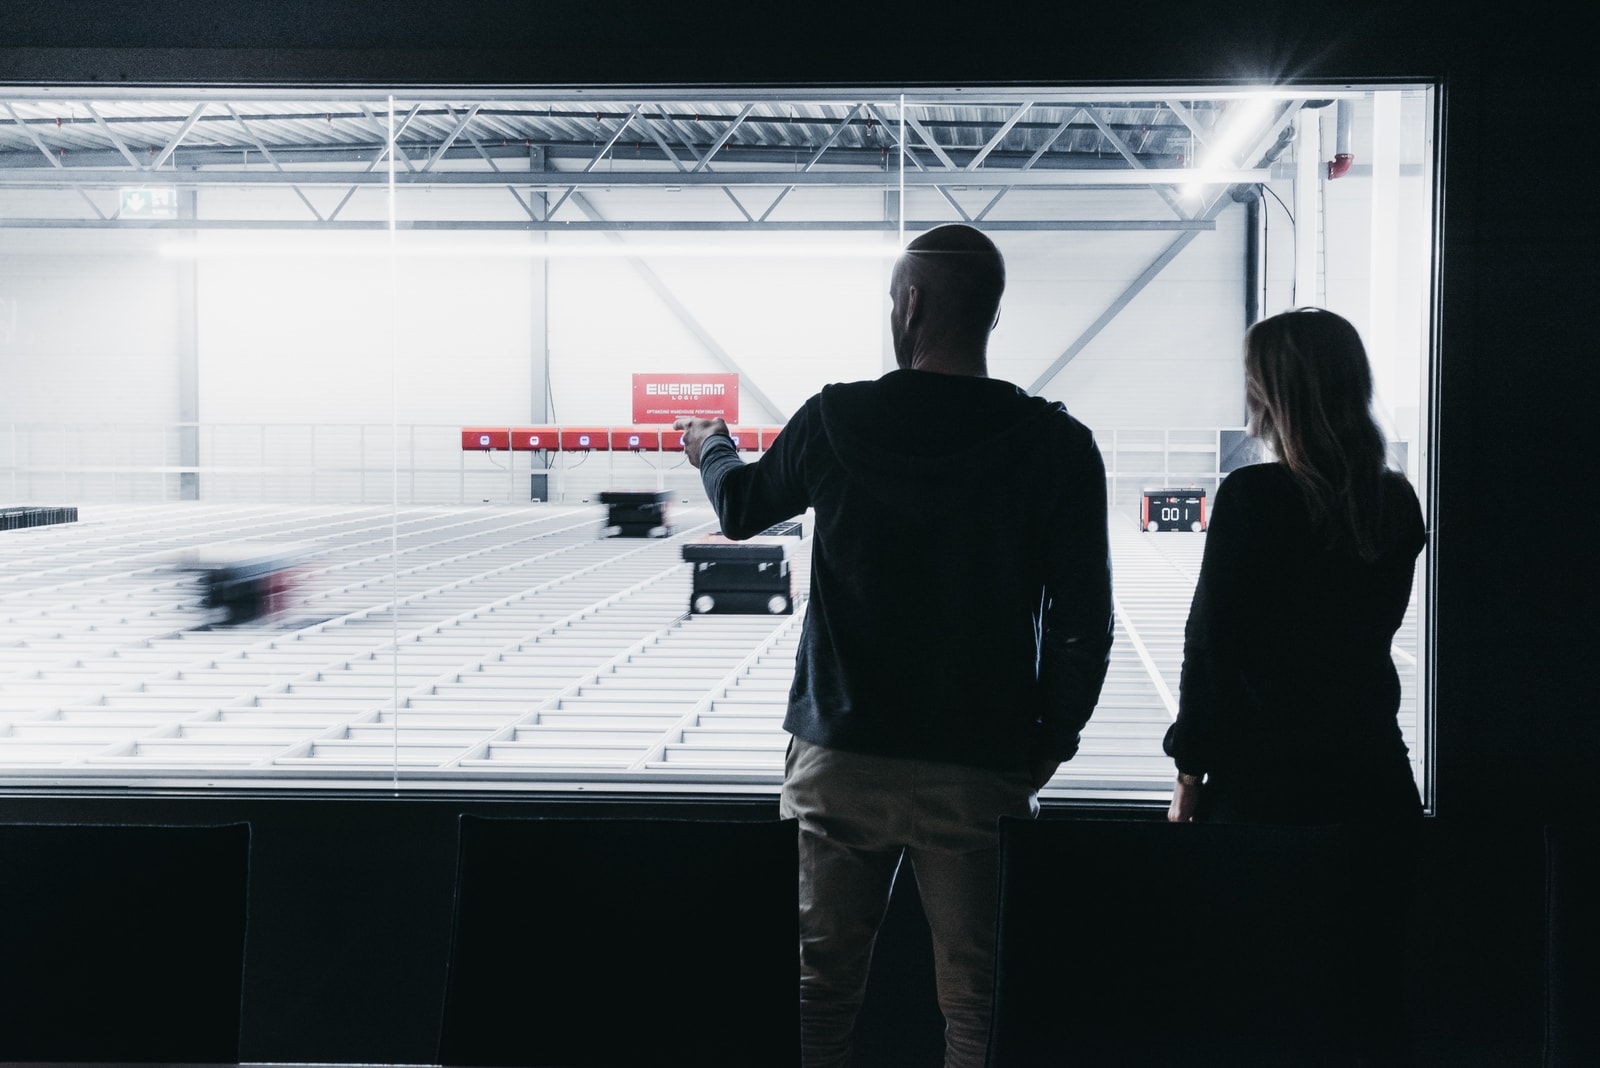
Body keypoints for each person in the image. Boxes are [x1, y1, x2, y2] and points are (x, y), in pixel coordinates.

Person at [674, 223, 1114, 1068]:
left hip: (840, 759)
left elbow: (741, 510)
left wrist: (712, 446)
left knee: (815, 994)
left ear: (910, 304)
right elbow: (1081, 624)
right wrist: (1047, 743)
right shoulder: (1057, 445)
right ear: (991, 314)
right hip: (979, 764)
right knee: (979, 1007)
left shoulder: (837, 417)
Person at [1164, 305, 1427, 825]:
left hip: (1267, 788)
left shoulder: (1253, 497)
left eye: (1252, 381)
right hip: (1375, 777)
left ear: (1278, 396)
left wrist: (1189, 774)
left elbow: (1212, 646)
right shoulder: (1395, 501)